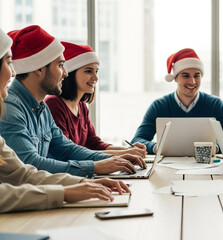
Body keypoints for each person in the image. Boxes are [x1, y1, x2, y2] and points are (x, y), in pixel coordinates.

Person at [0, 27, 129, 213]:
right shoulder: (11, 109)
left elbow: (24, 172)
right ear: (38, 68)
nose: (13, 72)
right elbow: (30, 163)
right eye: (61, 65)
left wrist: (84, 180)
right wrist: (85, 175)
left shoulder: (41, 107)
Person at [45, 41, 146, 157]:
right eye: (88, 71)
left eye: (96, 71)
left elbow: (94, 143)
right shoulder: (54, 104)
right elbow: (71, 152)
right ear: (70, 73)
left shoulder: (81, 106)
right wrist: (123, 153)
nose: (96, 78)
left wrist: (127, 150)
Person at [132, 48, 223, 154]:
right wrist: (157, 148)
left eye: (196, 75)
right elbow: (137, 140)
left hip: (206, 166)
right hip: (168, 166)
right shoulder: (159, 106)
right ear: (175, 78)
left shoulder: (215, 104)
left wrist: (215, 148)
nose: (192, 81)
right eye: (186, 75)